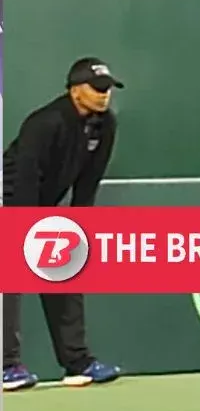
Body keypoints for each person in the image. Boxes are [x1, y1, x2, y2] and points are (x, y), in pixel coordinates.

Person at [3, 57, 127, 391]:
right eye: (96, 88)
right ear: (75, 91)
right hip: (11, 199)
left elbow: (88, 182)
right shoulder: (44, 123)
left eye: (108, 89)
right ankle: (6, 366)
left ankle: (77, 363)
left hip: (43, 204)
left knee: (65, 266)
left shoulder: (106, 125)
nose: (104, 95)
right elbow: (26, 177)